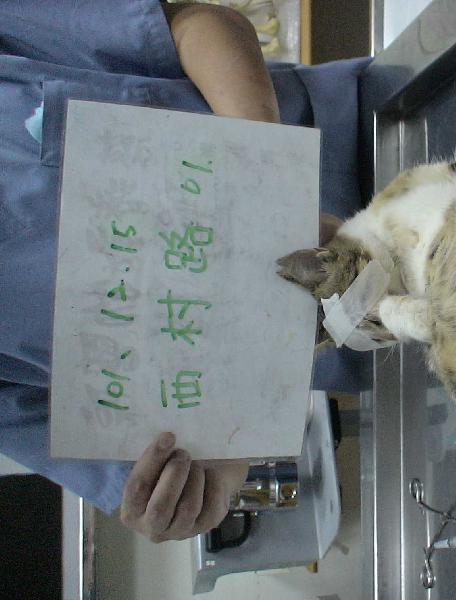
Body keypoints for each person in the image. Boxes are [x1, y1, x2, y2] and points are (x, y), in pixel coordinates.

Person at [0, 1, 370, 542]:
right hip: (374, 332)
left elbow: (199, 27)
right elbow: (182, 458)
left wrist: (269, 185)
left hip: (375, 136)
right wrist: (206, 485)